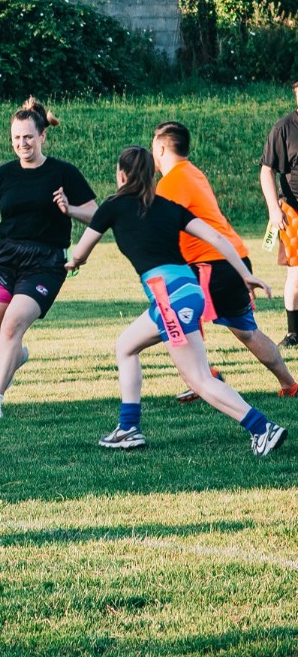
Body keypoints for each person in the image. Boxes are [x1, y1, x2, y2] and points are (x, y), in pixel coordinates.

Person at [66, 146, 286, 457]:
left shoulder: (112, 206)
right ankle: (128, 428)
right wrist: (244, 274)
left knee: (197, 379)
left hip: (168, 299)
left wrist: (73, 263)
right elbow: (218, 238)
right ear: (150, 174)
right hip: (188, 291)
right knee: (126, 345)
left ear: (121, 174)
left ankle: (262, 428)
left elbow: (81, 252)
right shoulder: (168, 207)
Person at [0, 97, 97, 419]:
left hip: (45, 263)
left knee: (12, 325)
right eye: (16, 138)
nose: (22, 143)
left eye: (28, 137)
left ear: (42, 136)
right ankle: (18, 354)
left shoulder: (63, 173)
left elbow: (97, 216)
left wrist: (69, 209)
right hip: (5, 259)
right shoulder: (3, 175)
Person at [153, 121, 297, 401]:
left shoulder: (171, 183)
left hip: (210, 266)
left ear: (160, 149)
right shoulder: (193, 173)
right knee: (247, 332)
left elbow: (161, 230)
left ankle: (204, 376)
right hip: (233, 259)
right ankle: (289, 384)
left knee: (174, 320)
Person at [260, 79, 298, 349]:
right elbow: (266, 170)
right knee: (297, 274)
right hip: (293, 212)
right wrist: (274, 209)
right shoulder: (284, 128)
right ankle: (294, 333)